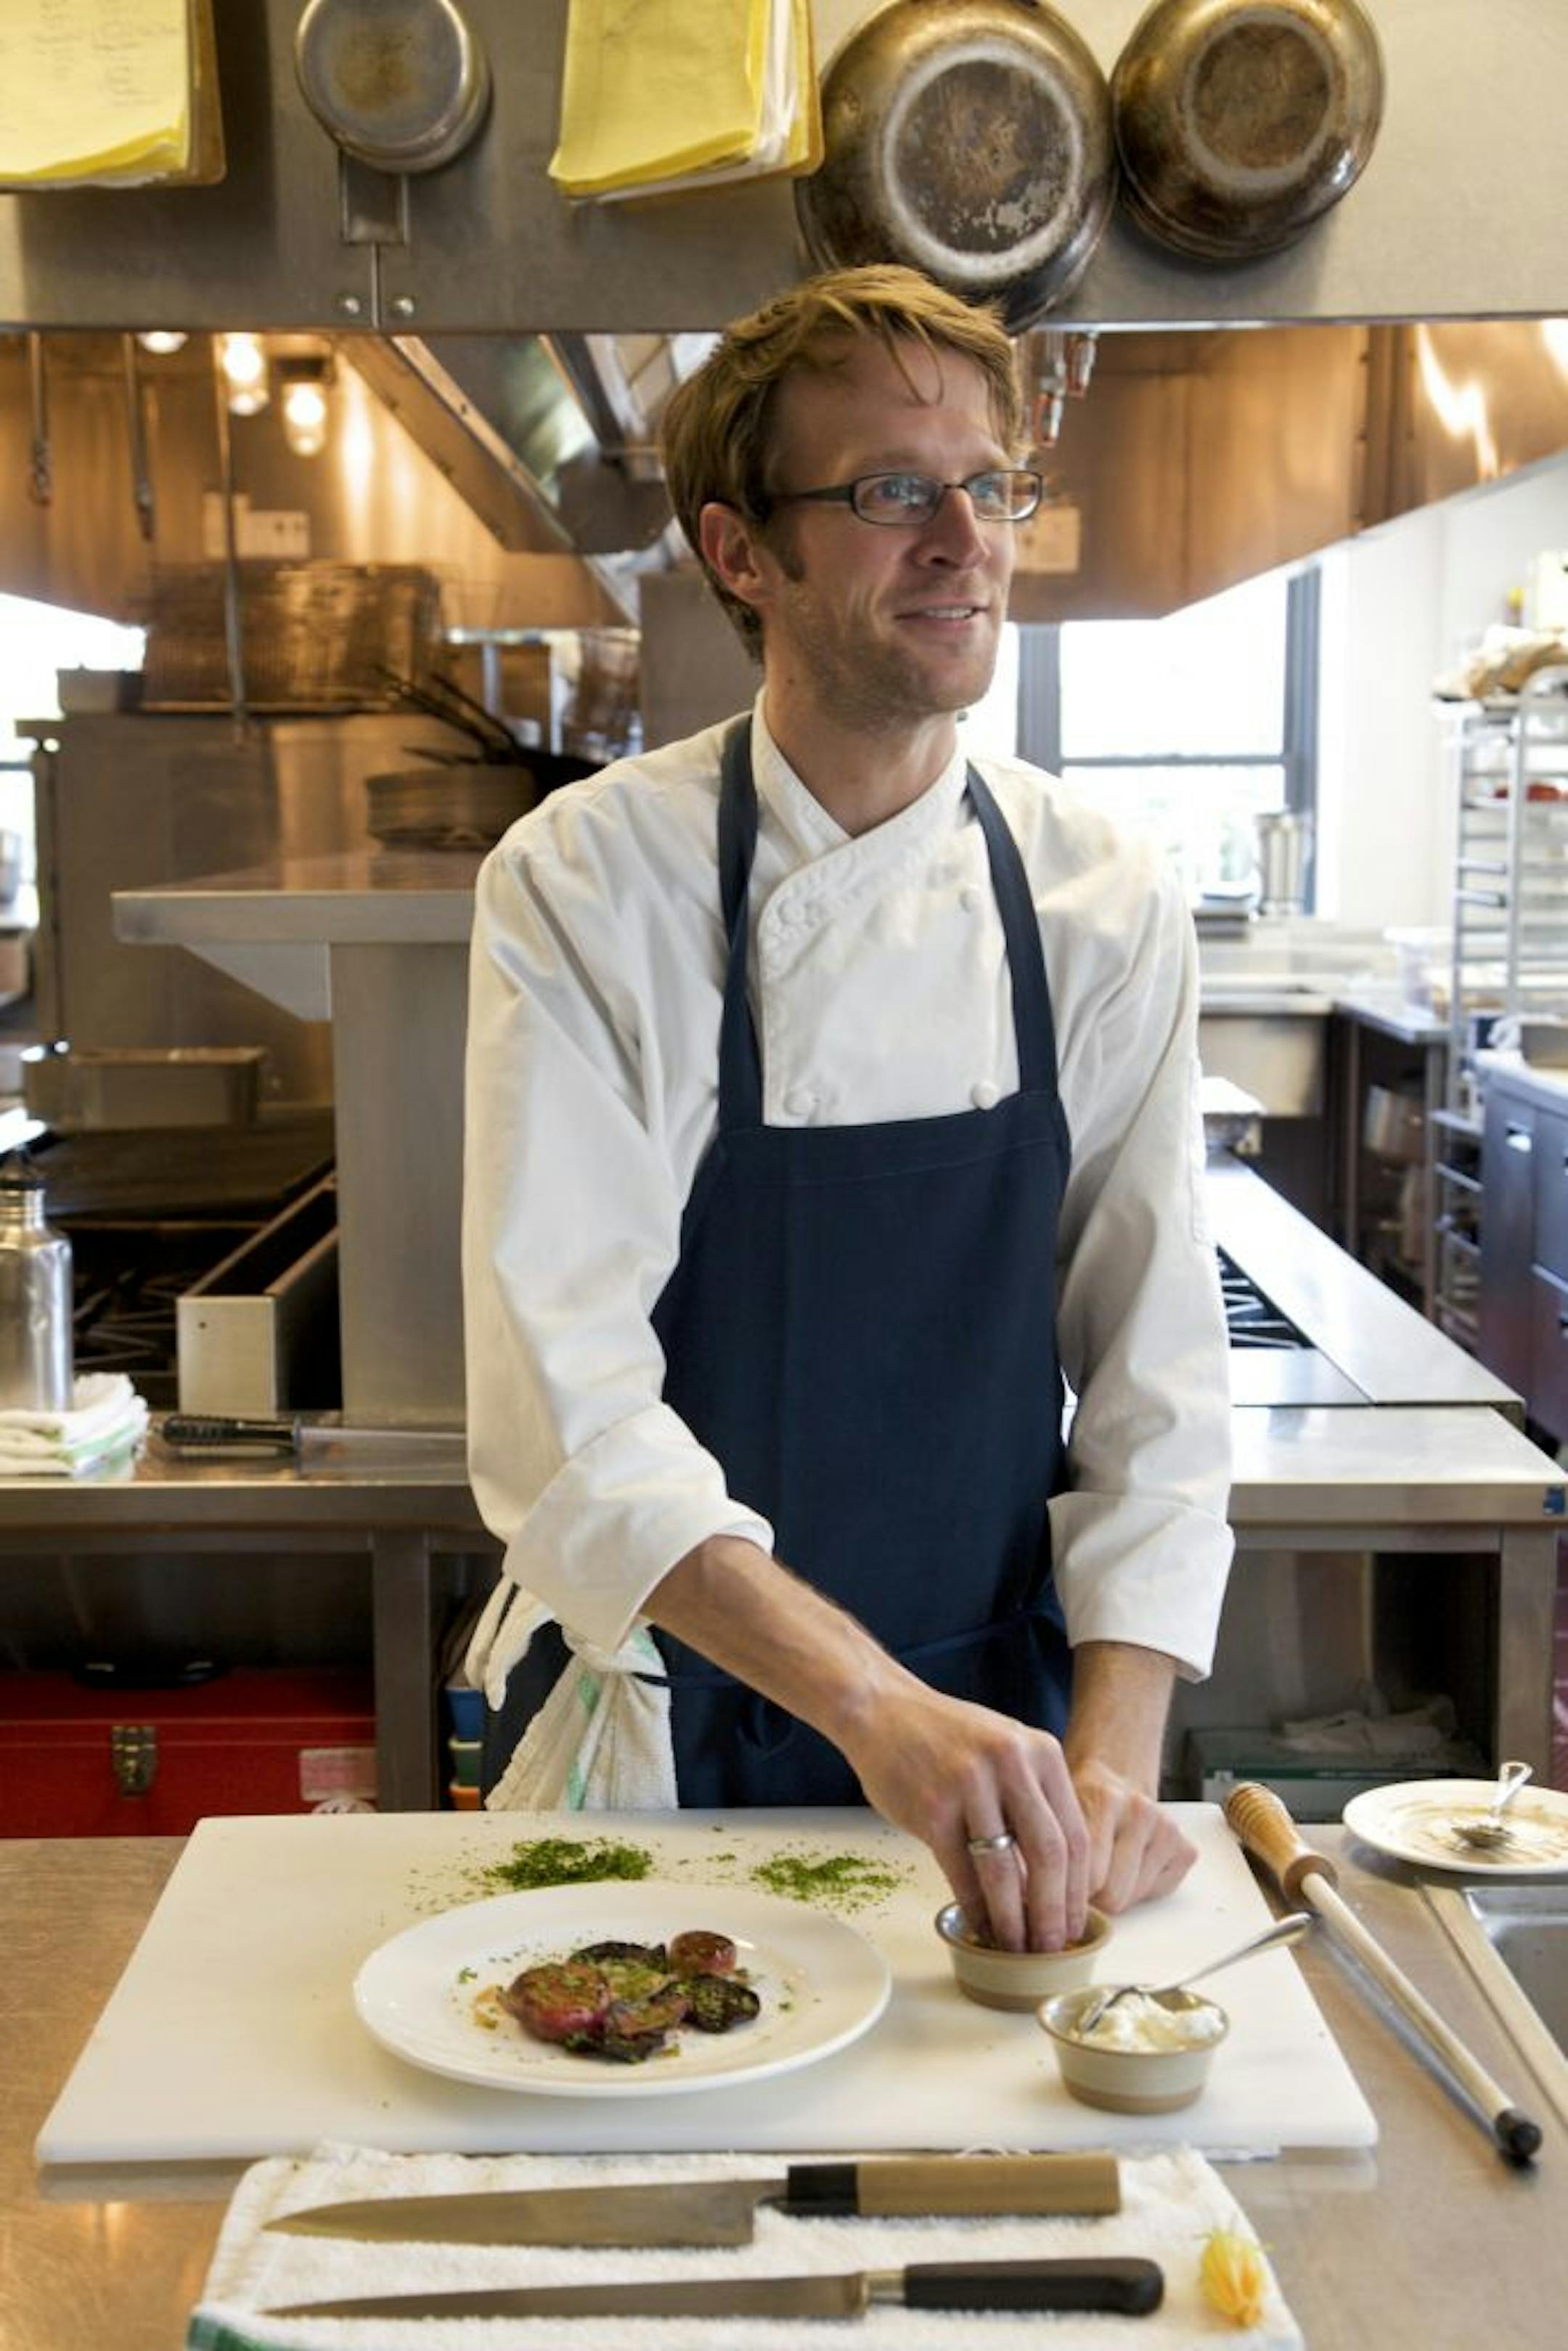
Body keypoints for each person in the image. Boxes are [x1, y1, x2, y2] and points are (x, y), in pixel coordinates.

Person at [462, 264, 1233, 1953]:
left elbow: (1154, 1369)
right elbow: (565, 1412)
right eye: (894, 491)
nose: (966, 537)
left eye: (990, 482)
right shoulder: (596, 882)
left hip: (996, 1742)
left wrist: (1108, 1767)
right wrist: (871, 1710)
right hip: (669, 1713)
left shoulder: (1099, 896)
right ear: (743, 552)